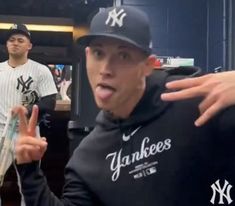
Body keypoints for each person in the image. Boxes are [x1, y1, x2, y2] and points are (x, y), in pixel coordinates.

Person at [13, 6, 235, 206]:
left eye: (123, 55)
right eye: (99, 53)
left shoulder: (196, 103)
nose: (106, 69)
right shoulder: (88, 159)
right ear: (88, 56)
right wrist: (29, 171)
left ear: (149, 65)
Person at [0, 23, 58, 205]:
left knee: (27, 183)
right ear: (6, 44)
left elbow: (50, 101)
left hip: (27, 132)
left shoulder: (40, 70)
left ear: (29, 45)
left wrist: (27, 109)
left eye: (20, 40)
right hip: (1, 129)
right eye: (11, 40)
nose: (15, 43)